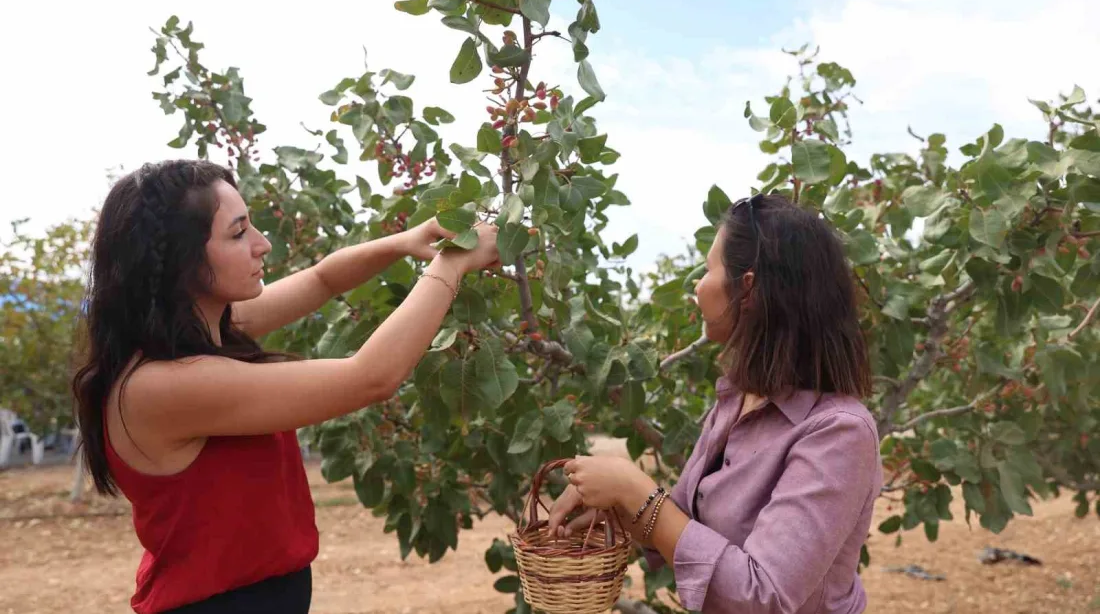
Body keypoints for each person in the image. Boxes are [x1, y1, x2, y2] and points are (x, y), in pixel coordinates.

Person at [70, 159, 499, 614]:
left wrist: (405, 242)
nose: (262, 244)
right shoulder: (163, 385)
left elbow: (322, 280)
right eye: (238, 234)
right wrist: (452, 266)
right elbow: (371, 377)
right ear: (181, 260)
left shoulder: (202, 330)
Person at [548, 193, 883, 614]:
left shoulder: (840, 432)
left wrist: (634, 487)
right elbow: (679, 523)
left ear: (748, 288)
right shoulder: (737, 400)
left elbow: (764, 596)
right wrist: (614, 502)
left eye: (709, 269)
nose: (697, 285)